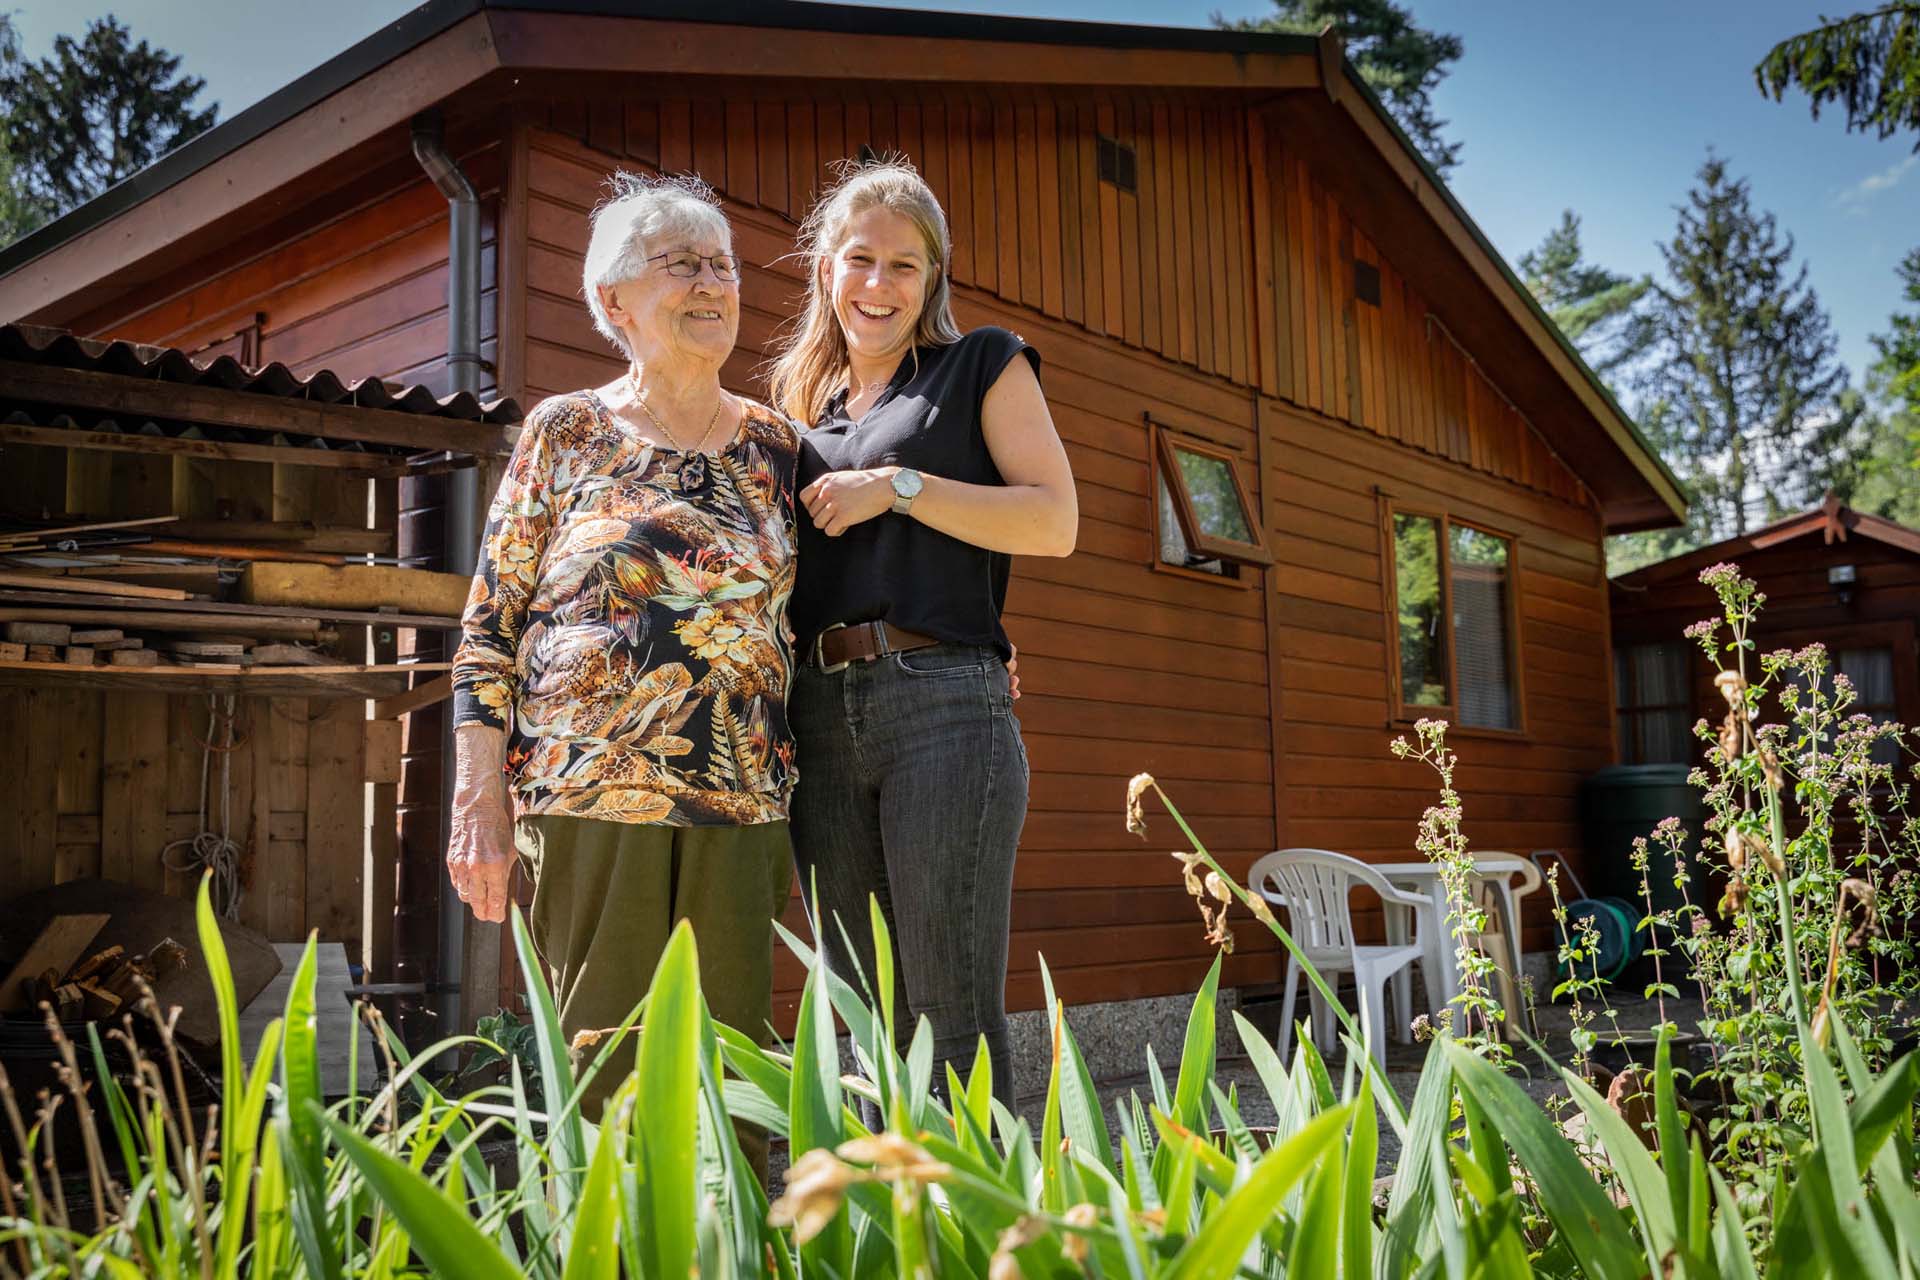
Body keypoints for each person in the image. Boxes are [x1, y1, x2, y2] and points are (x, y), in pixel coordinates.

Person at [446, 172, 798, 1171]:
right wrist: (479, 795)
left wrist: (973, 637)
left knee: (736, 1079)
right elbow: (489, 624)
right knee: (601, 1075)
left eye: (720, 263)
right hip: (590, 800)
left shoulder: (778, 445)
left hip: (743, 800)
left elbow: (848, 587)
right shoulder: (567, 430)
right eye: (680, 262)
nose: (710, 281)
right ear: (613, 302)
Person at [768, 159, 1077, 1110]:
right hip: (818, 718)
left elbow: (1052, 522)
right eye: (859, 259)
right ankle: (881, 1236)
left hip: (945, 707)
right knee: (861, 1005)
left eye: (905, 265)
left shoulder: (981, 363)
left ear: (932, 279)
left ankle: (976, 1241)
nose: (879, 283)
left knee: (948, 1003)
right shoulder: (794, 426)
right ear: (826, 272)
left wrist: (897, 487)